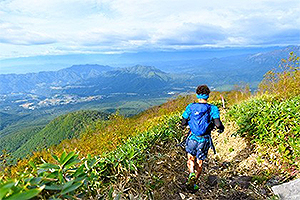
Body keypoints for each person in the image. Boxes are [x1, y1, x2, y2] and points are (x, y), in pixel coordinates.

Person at [181, 85, 224, 190]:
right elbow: (218, 124)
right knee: (200, 162)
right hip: (204, 139)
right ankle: (194, 182)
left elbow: (183, 121)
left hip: (192, 137)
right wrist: (221, 128)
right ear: (208, 95)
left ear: (197, 95)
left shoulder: (191, 107)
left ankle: (191, 172)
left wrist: (185, 124)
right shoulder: (212, 108)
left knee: (190, 158)